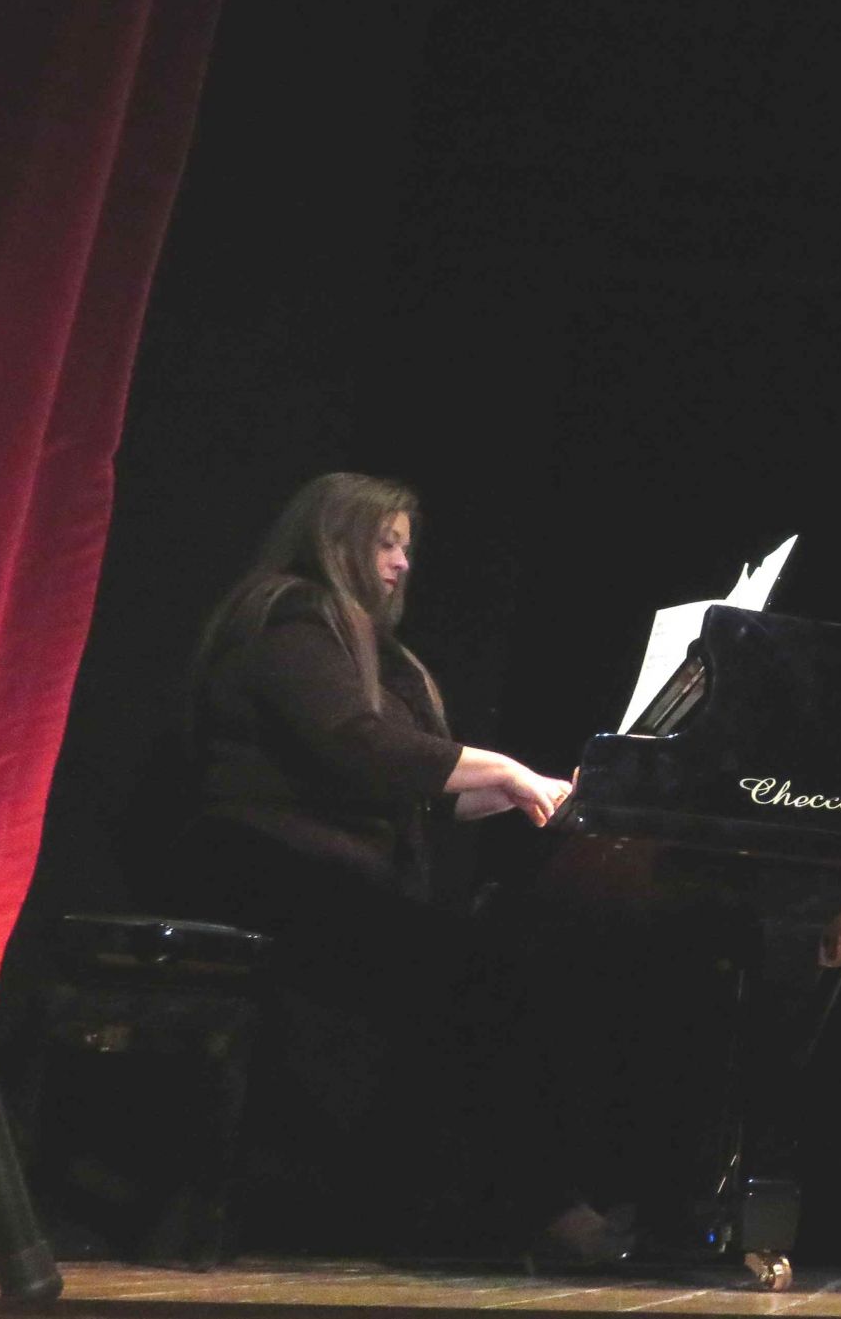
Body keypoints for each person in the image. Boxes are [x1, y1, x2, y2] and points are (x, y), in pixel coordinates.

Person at [168, 471, 576, 1249]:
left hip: (318, 883)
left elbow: (427, 792)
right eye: (386, 542)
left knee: (485, 970)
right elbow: (354, 745)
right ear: (336, 540)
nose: (402, 562)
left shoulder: (375, 651)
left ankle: (442, 1209)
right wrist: (504, 768)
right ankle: (530, 1208)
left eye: (406, 546)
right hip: (260, 875)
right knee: (477, 975)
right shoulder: (289, 615)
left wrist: (536, 793)